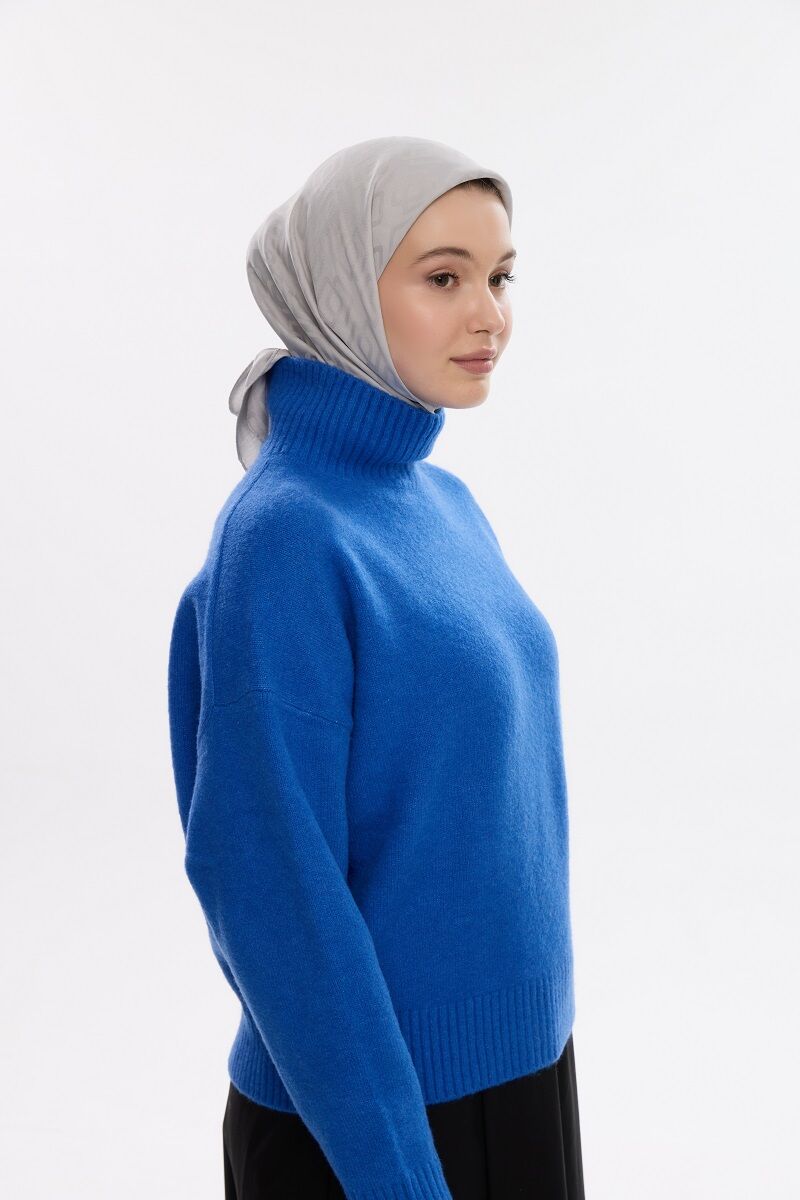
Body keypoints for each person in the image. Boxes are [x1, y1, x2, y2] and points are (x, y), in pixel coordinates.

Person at [167, 135, 585, 1200]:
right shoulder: (285, 535)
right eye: (443, 278)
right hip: (367, 1130)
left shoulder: (444, 504)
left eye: (499, 277)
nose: (488, 315)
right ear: (344, 291)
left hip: (522, 1083)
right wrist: (396, 1172)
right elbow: (270, 889)